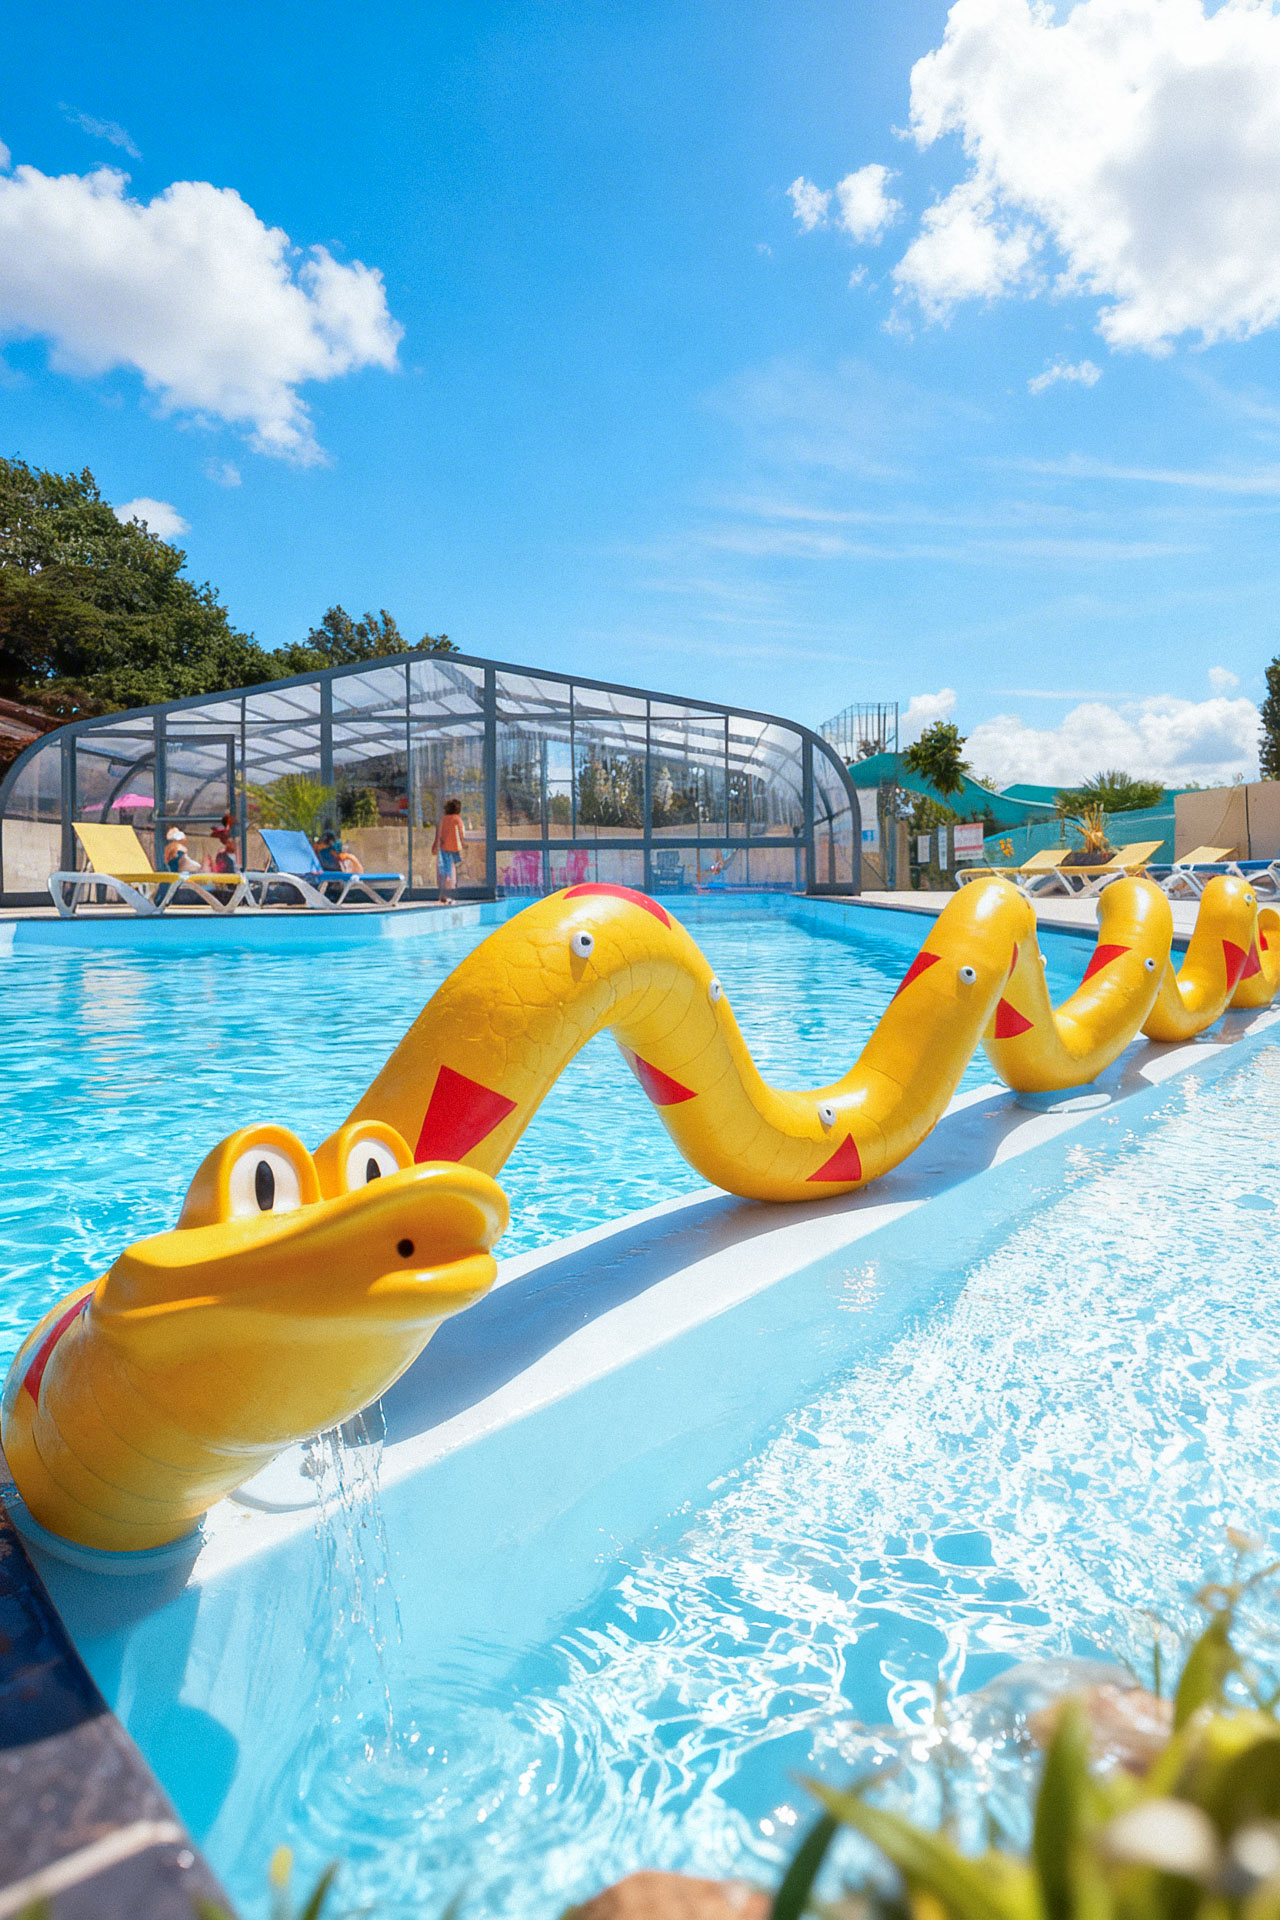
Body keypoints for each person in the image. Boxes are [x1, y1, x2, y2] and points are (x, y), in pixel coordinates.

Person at [431, 798, 466, 904]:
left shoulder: (444, 819)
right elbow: (461, 833)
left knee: (445, 871)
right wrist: (463, 844)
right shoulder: (457, 819)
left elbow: (439, 833)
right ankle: (449, 895)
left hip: (444, 848)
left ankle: (443, 894)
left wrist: (435, 845)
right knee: (451, 872)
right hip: (454, 849)